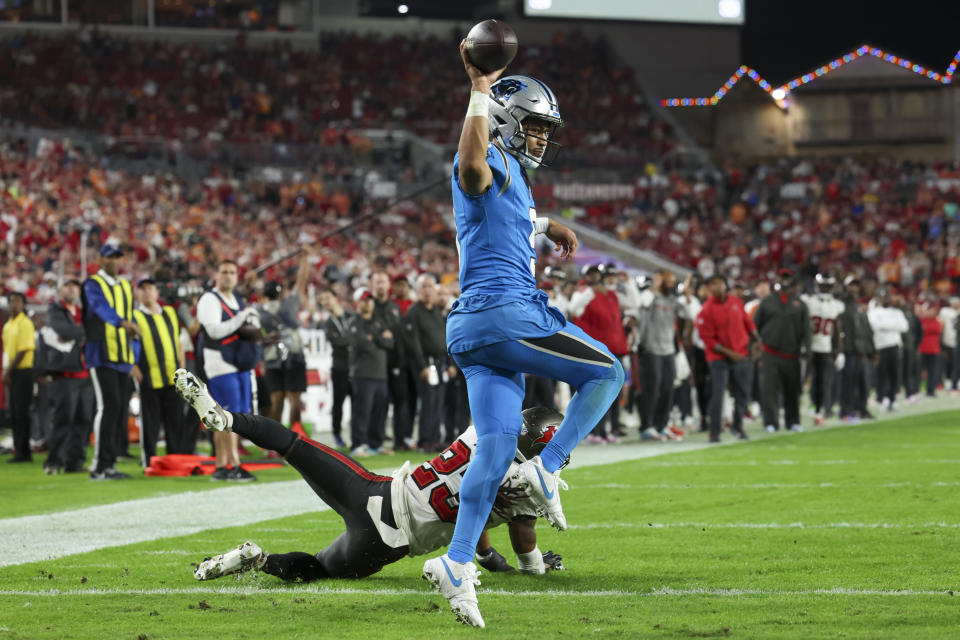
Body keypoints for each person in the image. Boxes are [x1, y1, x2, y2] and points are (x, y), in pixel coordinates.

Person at [420, 43, 624, 627]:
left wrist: (546, 223)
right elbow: (471, 168)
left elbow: (508, 216)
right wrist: (480, 90)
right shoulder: (489, 161)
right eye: (535, 126)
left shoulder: (517, 182)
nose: (542, 138)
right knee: (609, 372)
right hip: (505, 314)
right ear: (508, 122)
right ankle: (548, 467)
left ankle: (458, 564)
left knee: (495, 448)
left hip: (473, 331)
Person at [175, 368, 564, 584]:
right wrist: (525, 566)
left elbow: (476, 508)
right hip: (387, 541)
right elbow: (522, 546)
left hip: (374, 491)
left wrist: (488, 555)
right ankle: (259, 560)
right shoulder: (527, 490)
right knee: (320, 569)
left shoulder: (483, 431)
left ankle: (224, 418)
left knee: (293, 444)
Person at [197, 259, 260, 482]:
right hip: (220, 363)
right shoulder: (209, 299)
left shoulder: (236, 300)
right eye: (224, 272)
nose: (228, 276)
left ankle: (222, 466)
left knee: (231, 417)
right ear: (217, 274)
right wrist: (242, 318)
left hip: (238, 363)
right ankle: (234, 465)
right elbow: (214, 331)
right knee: (228, 416)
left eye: (233, 272)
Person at [82, 244, 141, 479]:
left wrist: (133, 357)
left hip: (122, 356)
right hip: (101, 352)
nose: (114, 261)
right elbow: (99, 308)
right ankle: (99, 465)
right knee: (107, 407)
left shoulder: (126, 286)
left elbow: (132, 320)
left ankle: (110, 462)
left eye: (118, 257)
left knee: (117, 409)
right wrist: (122, 323)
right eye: (110, 258)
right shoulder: (93, 284)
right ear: (101, 260)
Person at [696, 275, 761, 443]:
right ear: (710, 289)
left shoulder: (736, 302)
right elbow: (708, 340)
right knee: (718, 395)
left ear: (725, 285)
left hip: (741, 353)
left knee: (742, 394)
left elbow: (748, 322)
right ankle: (714, 431)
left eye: (719, 284)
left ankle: (738, 426)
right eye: (713, 286)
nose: (717, 288)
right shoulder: (706, 310)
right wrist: (730, 354)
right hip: (719, 358)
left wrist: (756, 337)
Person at [568, 264, 628, 443]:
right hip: (593, 351)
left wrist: (628, 283)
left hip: (613, 349)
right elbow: (574, 309)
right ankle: (594, 432)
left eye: (596, 274)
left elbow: (634, 304)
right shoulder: (583, 293)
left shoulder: (609, 295)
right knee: (595, 392)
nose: (593, 277)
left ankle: (607, 429)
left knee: (612, 391)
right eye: (590, 274)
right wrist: (592, 291)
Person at [37, 279, 92, 473]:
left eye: (75, 286)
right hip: (64, 373)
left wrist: (76, 333)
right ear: (60, 290)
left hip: (85, 372)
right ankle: (53, 462)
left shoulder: (83, 312)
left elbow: (72, 333)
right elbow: (63, 330)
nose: (72, 289)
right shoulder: (55, 310)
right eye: (68, 285)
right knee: (63, 419)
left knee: (83, 419)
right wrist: (85, 332)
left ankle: (74, 462)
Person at [132, 277, 186, 464]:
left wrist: (183, 369)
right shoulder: (134, 317)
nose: (147, 292)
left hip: (173, 376)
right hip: (148, 377)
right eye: (143, 288)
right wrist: (133, 366)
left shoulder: (170, 313)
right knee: (150, 423)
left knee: (175, 422)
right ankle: (149, 461)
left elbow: (179, 342)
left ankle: (175, 460)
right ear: (138, 293)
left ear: (157, 292)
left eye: (150, 288)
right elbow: (129, 343)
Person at [754, 269, 811, 433]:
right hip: (769, 352)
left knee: (792, 390)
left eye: (787, 279)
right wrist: (755, 346)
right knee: (769, 390)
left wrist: (807, 349)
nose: (785, 282)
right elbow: (755, 326)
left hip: (792, 354)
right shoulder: (767, 302)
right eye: (782, 278)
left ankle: (793, 421)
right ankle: (770, 422)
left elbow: (806, 329)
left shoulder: (800, 303)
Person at [258, 251, 309, 431]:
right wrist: (304, 258)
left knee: (276, 400)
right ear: (281, 293)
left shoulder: (259, 310)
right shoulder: (289, 305)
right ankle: (296, 437)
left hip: (271, 359)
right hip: (293, 357)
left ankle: (274, 442)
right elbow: (301, 284)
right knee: (294, 398)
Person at [634, 270, 684, 441]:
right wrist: (653, 288)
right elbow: (642, 305)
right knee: (651, 390)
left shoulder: (671, 299)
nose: (672, 284)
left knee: (668, 390)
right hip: (650, 348)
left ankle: (661, 425)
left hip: (669, 349)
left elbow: (687, 313)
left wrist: (689, 294)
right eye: (668, 281)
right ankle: (646, 427)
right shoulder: (647, 296)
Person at [405, 273, 452, 451]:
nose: (427, 290)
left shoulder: (437, 313)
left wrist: (449, 364)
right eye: (423, 286)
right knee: (428, 404)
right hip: (426, 365)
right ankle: (425, 441)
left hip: (440, 364)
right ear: (418, 290)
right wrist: (422, 366)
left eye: (430, 286)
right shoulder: (414, 312)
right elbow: (413, 342)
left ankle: (434, 439)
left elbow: (445, 339)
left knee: (438, 403)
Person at [347, 288, 394, 457]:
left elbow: (390, 343)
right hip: (363, 375)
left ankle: (376, 443)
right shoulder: (354, 322)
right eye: (365, 300)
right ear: (358, 302)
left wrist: (373, 338)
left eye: (370, 300)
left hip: (380, 374)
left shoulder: (379, 321)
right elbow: (361, 343)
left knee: (380, 412)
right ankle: (358, 444)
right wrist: (380, 338)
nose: (368, 303)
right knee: (362, 411)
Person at [370, 270, 409, 451]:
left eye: (383, 281)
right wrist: (383, 336)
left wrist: (401, 362)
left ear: (388, 285)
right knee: (379, 404)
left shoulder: (395, 308)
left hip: (396, 363)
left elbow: (400, 336)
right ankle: (375, 441)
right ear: (372, 285)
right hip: (376, 364)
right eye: (377, 282)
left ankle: (399, 440)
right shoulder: (369, 306)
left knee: (400, 402)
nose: (380, 285)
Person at [801, 273, 845, 423]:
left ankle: (818, 409)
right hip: (808, 347)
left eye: (827, 286)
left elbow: (838, 331)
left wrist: (838, 351)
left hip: (825, 348)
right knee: (800, 379)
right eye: (822, 286)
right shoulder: (808, 301)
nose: (825, 289)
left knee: (822, 382)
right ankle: (793, 408)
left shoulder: (836, 305)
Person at [2, 292, 36, 462]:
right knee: (14, 412)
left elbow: (24, 350)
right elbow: (7, 351)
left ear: (24, 304)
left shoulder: (25, 323)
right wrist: (6, 370)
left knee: (22, 412)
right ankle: (18, 449)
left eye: (18, 301)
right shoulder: (8, 325)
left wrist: (7, 372)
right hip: (11, 371)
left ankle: (24, 452)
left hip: (23, 371)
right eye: (12, 301)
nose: (14, 304)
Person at [318, 287, 352, 448]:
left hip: (356, 366)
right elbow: (337, 342)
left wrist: (347, 338)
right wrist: (351, 339)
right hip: (340, 367)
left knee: (359, 403)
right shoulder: (327, 324)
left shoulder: (350, 315)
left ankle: (359, 437)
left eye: (327, 297)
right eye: (322, 300)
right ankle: (337, 435)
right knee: (338, 403)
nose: (325, 302)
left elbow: (347, 339)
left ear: (335, 298)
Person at [838, 277, 874, 422]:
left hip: (861, 352)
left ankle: (861, 409)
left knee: (863, 383)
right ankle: (846, 412)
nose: (854, 289)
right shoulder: (842, 306)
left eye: (856, 286)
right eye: (851, 286)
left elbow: (866, 330)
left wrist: (870, 350)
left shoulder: (859, 307)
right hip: (848, 351)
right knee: (848, 384)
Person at [867, 289, 908, 411]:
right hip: (881, 347)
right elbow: (874, 325)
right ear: (879, 298)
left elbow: (904, 327)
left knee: (895, 375)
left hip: (895, 347)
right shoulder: (875, 312)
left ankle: (892, 400)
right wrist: (893, 326)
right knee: (881, 375)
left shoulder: (897, 312)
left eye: (887, 297)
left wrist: (885, 325)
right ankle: (880, 400)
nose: (886, 299)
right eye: (883, 297)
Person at [918, 303, 943, 397]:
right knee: (919, 371)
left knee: (932, 371)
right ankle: (916, 390)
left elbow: (937, 329)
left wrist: (926, 329)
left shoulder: (936, 321)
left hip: (934, 349)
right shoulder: (921, 321)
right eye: (929, 310)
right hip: (922, 349)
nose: (931, 312)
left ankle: (930, 391)